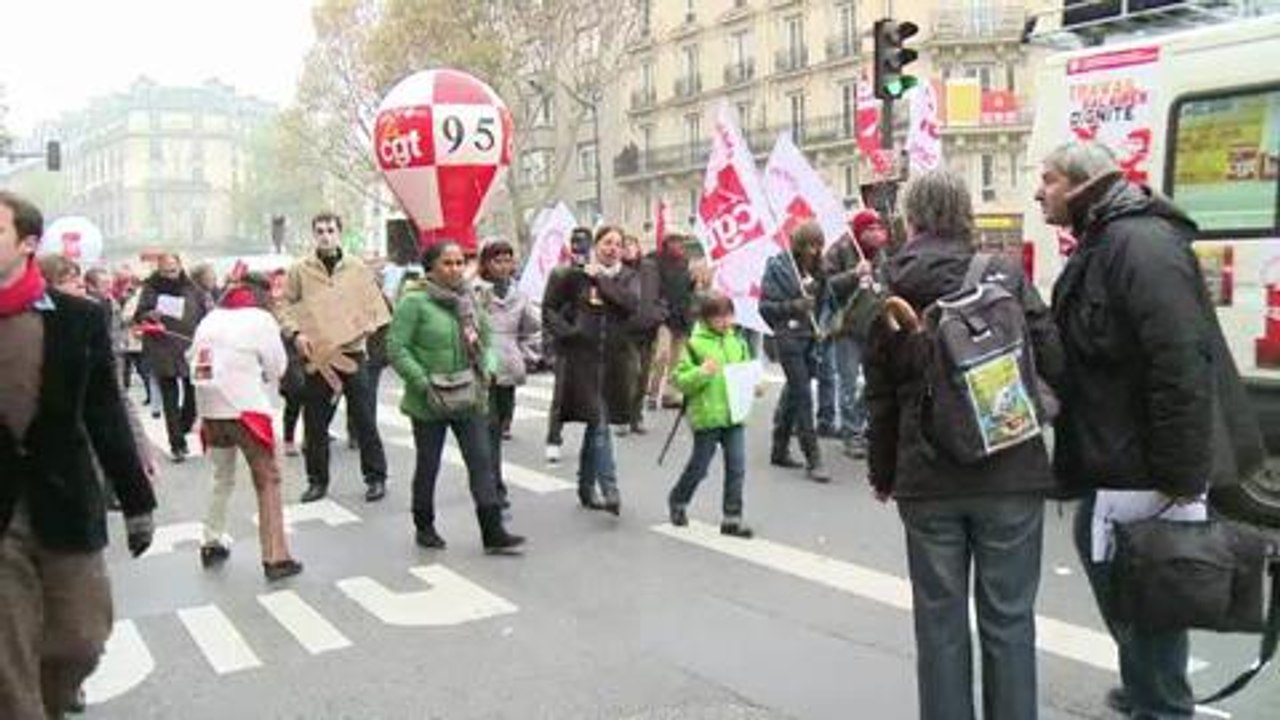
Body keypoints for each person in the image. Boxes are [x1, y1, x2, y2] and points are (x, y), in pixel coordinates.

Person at [1036, 141, 1262, 719]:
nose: (1039, 192)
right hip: (1121, 458)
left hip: (1143, 466)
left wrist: (1182, 476)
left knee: (1149, 589)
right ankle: (1149, 689)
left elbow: (1180, 363)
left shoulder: (1138, 245)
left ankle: (1162, 704)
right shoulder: (1110, 239)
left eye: (1049, 180)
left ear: (1084, 184)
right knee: (1131, 583)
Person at [863, 169, 1063, 720]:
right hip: (1010, 466)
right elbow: (1053, 359)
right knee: (1010, 619)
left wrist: (885, 472)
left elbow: (879, 395)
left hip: (927, 476)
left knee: (939, 623)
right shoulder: (1003, 275)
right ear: (964, 215)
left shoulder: (890, 285)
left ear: (911, 220)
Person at [0, 191, 156, 719]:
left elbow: (105, 412)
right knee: (8, 656)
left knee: (82, 638)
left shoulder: (78, 318)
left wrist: (137, 501)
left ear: (27, 243)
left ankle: (53, 699)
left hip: (65, 501)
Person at [387, 241, 525, 553]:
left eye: (460, 262)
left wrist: (488, 368)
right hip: (429, 401)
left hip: (469, 395)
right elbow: (396, 347)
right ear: (431, 268)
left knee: (481, 462)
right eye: (447, 263)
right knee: (428, 464)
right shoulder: (414, 301)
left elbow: (486, 340)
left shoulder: (469, 299)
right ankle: (424, 525)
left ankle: (493, 532)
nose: (455, 269)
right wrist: (422, 382)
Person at [190, 273, 303, 581]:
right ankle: (275, 556)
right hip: (246, 409)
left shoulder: (211, 318)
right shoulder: (260, 320)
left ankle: (211, 539)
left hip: (210, 407)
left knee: (221, 476)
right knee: (268, 480)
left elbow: (193, 358)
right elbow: (277, 366)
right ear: (262, 294)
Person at [281, 212, 390, 503]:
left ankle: (376, 477)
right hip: (320, 355)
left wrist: (369, 323)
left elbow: (373, 304)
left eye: (330, 230)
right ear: (313, 235)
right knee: (315, 422)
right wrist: (295, 333)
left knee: (364, 418)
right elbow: (285, 305)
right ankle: (317, 481)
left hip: (353, 352)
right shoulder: (300, 269)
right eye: (320, 231)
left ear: (339, 233)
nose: (326, 236)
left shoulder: (356, 267)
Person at [542, 225, 640, 514]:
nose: (613, 249)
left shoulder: (628, 277)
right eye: (607, 242)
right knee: (598, 421)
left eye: (618, 244)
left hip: (614, 362)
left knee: (596, 424)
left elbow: (629, 304)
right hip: (582, 361)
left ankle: (586, 488)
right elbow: (549, 309)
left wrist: (602, 279)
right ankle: (610, 488)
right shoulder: (573, 276)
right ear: (597, 245)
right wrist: (569, 333)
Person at [666, 293, 755, 538]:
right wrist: (702, 372)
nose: (725, 322)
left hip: (734, 414)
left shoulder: (738, 342)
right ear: (706, 319)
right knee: (700, 466)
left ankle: (732, 518)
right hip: (707, 415)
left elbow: (746, 371)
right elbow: (680, 380)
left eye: (729, 315)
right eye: (719, 317)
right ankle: (678, 499)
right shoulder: (694, 344)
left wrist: (754, 385)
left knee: (737, 466)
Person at [760, 221, 829, 483]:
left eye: (818, 245)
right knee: (803, 394)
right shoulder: (778, 267)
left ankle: (779, 447)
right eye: (809, 245)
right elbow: (766, 307)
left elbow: (826, 299)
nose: (814, 251)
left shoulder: (819, 269)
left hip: (810, 336)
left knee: (794, 390)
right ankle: (813, 458)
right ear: (799, 245)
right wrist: (795, 306)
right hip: (788, 336)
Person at [476, 238, 539, 508]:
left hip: (510, 366)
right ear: (486, 264)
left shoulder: (519, 295)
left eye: (507, 260)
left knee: (502, 421)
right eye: (497, 261)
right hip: (485, 364)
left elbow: (532, 328)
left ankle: (493, 483)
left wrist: (526, 354)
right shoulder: (476, 293)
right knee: (489, 429)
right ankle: (494, 487)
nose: (503, 266)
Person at [821, 209, 890, 459]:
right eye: (870, 229)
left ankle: (861, 423)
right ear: (859, 231)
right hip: (848, 329)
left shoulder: (881, 255)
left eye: (879, 228)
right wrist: (853, 275)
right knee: (848, 383)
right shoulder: (840, 250)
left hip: (875, 328)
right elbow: (826, 286)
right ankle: (851, 434)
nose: (877, 233)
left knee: (875, 382)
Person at [133, 252, 209, 462]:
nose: (170, 275)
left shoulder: (192, 287)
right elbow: (139, 314)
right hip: (162, 345)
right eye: (166, 272)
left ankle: (184, 424)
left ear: (180, 266)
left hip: (189, 344)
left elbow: (204, 312)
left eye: (173, 270)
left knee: (193, 394)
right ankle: (177, 443)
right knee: (169, 395)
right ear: (159, 270)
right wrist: (149, 315)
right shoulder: (151, 288)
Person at [622, 232, 667, 435]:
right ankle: (623, 417)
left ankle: (636, 417)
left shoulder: (650, 268)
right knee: (630, 375)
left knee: (643, 378)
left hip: (648, 330)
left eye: (631, 244)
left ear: (638, 247)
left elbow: (662, 294)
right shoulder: (617, 270)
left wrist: (660, 313)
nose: (628, 249)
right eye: (624, 246)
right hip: (626, 332)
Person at [648, 234, 695, 409]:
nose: (680, 245)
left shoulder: (685, 262)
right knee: (662, 354)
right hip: (664, 315)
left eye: (681, 241)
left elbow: (688, 290)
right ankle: (652, 393)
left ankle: (671, 394)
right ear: (667, 243)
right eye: (676, 241)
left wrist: (694, 282)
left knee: (677, 359)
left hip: (682, 316)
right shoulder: (655, 260)